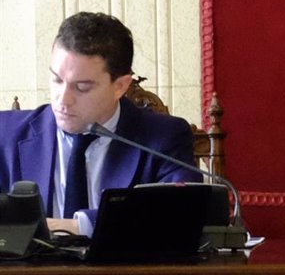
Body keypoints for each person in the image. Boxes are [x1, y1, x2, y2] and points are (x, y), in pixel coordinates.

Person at [0, 12, 200, 234]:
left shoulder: (163, 137)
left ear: (120, 86)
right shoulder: (7, 134)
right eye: (57, 80)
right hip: (28, 269)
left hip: (121, 268)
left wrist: (79, 225)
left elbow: (181, 213)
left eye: (82, 87)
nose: (63, 99)